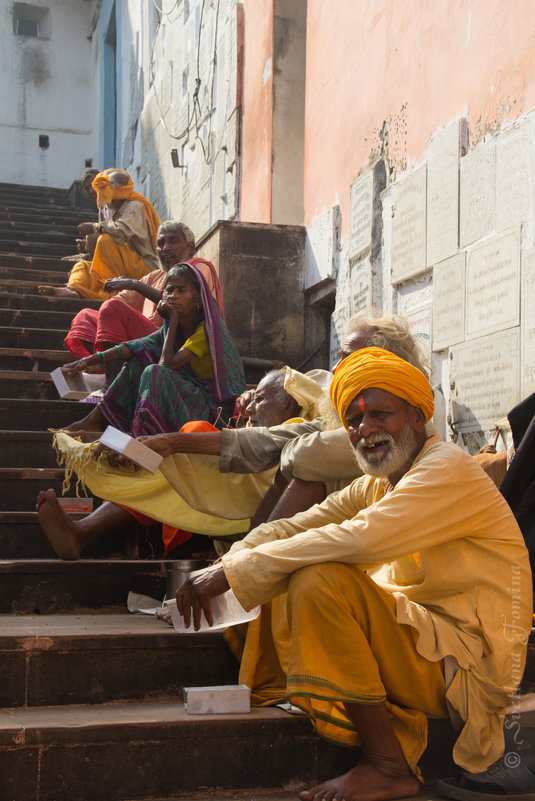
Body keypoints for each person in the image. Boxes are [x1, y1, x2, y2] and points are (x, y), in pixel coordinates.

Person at [175, 347, 533, 801]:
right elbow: (295, 526)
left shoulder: (447, 468)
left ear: (418, 418)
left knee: (317, 577)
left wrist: (237, 571)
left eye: (381, 415)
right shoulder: (377, 483)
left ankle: (387, 765)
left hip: (468, 668)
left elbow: (360, 539)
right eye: (354, 421)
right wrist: (228, 563)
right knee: (291, 558)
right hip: (421, 643)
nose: (366, 430)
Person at [37, 366, 326, 560]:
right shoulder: (257, 426)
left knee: (196, 432)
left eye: (260, 399)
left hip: (251, 507)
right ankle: (83, 531)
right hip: (223, 497)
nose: (249, 406)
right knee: (164, 460)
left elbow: (254, 444)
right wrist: (132, 445)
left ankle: (85, 530)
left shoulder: (306, 428)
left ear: (288, 405)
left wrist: (169, 443)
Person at [57, 263, 245, 437]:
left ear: (197, 299)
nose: (174, 296)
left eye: (182, 290)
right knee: (139, 358)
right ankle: (93, 421)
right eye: (169, 291)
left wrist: (171, 320)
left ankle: (141, 434)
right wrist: (90, 360)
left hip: (211, 412)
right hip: (187, 396)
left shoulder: (207, 329)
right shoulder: (176, 329)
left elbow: (167, 364)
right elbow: (134, 346)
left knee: (156, 372)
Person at [63, 220, 223, 383]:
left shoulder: (198, 268)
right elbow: (121, 301)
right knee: (86, 317)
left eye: (173, 241)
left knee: (112, 308)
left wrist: (135, 285)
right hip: (145, 338)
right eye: (161, 243)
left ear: (190, 248)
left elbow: (177, 306)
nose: (166, 248)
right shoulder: (155, 276)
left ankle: (110, 384)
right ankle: (110, 369)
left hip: (174, 342)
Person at [38, 168, 161, 300]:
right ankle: (73, 289)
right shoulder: (115, 209)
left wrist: (94, 227)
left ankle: (111, 291)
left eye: (103, 191)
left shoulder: (135, 206)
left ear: (115, 192)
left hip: (144, 267)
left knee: (105, 240)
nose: (98, 194)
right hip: (123, 264)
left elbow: (120, 232)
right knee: (82, 266)